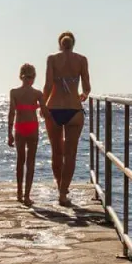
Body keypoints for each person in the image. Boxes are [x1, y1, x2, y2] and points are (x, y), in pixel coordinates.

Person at [42, 31, 90, 207]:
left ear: (60, 44)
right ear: (73, 44)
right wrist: (83, 95)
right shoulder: (81, 60)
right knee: (70, 154)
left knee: (57, 151)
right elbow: (87, 87)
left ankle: (59, 185)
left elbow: (48, 85)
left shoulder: (52, 59)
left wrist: (42, 106)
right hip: (74, 110)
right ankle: (63, 192)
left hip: (54, 108)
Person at [7, 63, 45, 206]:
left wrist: (9, 133)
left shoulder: (14, 92)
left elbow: (11, 113)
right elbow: (45, 112)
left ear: (20, 76)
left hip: (20, 127)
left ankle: (19, 193)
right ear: (33, 77)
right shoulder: (37, 93)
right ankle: (27, 196)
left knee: (20, 161)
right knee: (30, 162)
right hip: (32, 128)